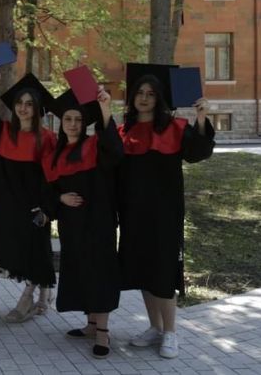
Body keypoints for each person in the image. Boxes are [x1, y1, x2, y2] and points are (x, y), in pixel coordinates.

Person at [118, 64, 214, 359]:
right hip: (133, 215)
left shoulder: (175, 128)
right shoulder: (125, 131)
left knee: (162, 271)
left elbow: (199, 152)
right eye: (140, 93)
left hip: (164, 214)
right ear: (133, 98)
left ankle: (171, 332)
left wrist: (201, 117)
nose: (144, 98)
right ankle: (155, 328)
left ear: (159, 99)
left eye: (151, 94)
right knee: (143, 270)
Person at [41, 88, 121, 359]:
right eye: (68, 120)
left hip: (98, 220)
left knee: (100, 271)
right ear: (61, 124)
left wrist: (106, 108)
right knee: (81, 271)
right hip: (71, 225)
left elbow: (115, 149)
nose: (73, 124)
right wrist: (60, 197)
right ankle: (90, 325)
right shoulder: (55, 154)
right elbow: (47, 191)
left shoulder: (95, 145)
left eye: (77, 119)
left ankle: (103, 332)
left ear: (84, 122)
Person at [0, 72, 57, 323]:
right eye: (19, 103)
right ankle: (46, 291)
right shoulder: (5, 132)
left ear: (37, 108)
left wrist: (47, 209)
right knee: (23, 250)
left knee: (36, 249)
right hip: (9, 204)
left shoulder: (47, 138)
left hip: (34, 204)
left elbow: (51, 178)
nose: (23, 108)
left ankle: (28, 298)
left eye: (29, 104)